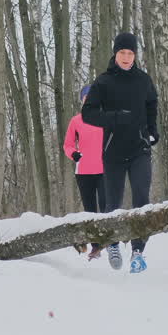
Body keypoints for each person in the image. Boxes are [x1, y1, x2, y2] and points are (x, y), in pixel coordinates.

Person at [80, 31, 159, 273]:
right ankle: (113, 244)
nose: (126, 58)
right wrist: (114, 118)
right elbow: (88, 114)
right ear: (115, 54)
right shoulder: (103, 82)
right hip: (113, 150)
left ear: (135, 55)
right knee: (113, 203)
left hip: (139, 149)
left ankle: (138, 251)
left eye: (130, 53)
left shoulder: (143, 80)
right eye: (122, 53)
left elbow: (151, 104)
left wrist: (153, 130)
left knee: (142, 199)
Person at [63, 84, 104, 254]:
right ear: (82, 100)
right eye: (86, 98)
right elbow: (67, 145)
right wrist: (74, 154)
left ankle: (110, 241)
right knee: (90, 210)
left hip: (105, 170)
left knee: (107, 206)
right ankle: (96, 245)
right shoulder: (76, 121)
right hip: (84, 171)